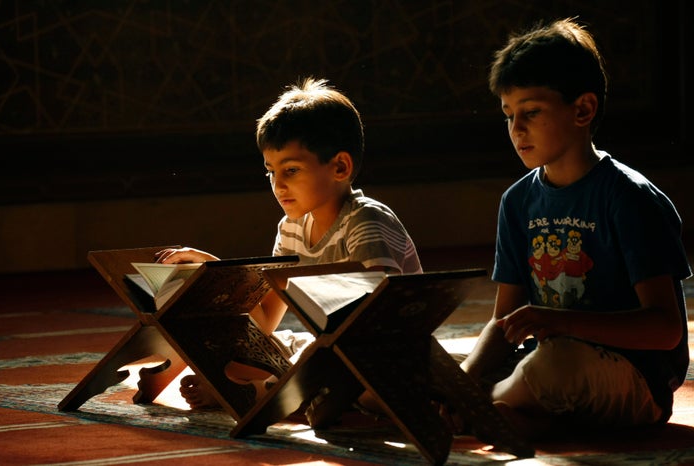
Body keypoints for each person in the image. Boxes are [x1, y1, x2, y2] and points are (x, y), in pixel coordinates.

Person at [458, 18, 691, 440]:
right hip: (544, 366)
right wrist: (461, 380)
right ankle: (501, 412)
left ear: (582, 109)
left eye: (531, 112)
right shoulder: (517, 201)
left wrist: (558, 321)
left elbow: (665, 330)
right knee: (436, 365)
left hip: (633, 381)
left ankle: (492, 410)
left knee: (553, 365)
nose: (516, 129)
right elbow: (504, 322)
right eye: (509, 115)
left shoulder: (629, 198)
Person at [155, 77, 422, 410]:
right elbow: (266, 317)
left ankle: (252, 394)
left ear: (340, 166)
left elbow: (377, 305)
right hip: (324, 350)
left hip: (381, 355)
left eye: (291, 170)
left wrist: (287, 280)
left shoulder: (367, 220)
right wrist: (218, 273)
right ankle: (298, 393)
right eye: (270, 172)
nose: (278, 185)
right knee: (245, 351)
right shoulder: (291, 228)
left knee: (324, 365)